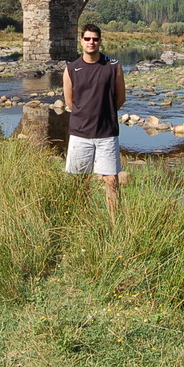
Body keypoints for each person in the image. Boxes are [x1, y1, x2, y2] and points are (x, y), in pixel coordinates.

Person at [63, 23, 126, 221]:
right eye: (88, 39)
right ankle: (82, 221)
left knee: (111, 180)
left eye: (95, 39)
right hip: (80, 133)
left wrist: (105, 113)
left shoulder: (113, 66)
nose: (92, 42)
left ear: (100, 41)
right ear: (81, 40)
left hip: (107, 133)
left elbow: (121, 98)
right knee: (80, 181)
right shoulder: (71, 69)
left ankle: (114, 222)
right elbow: (70, 103)